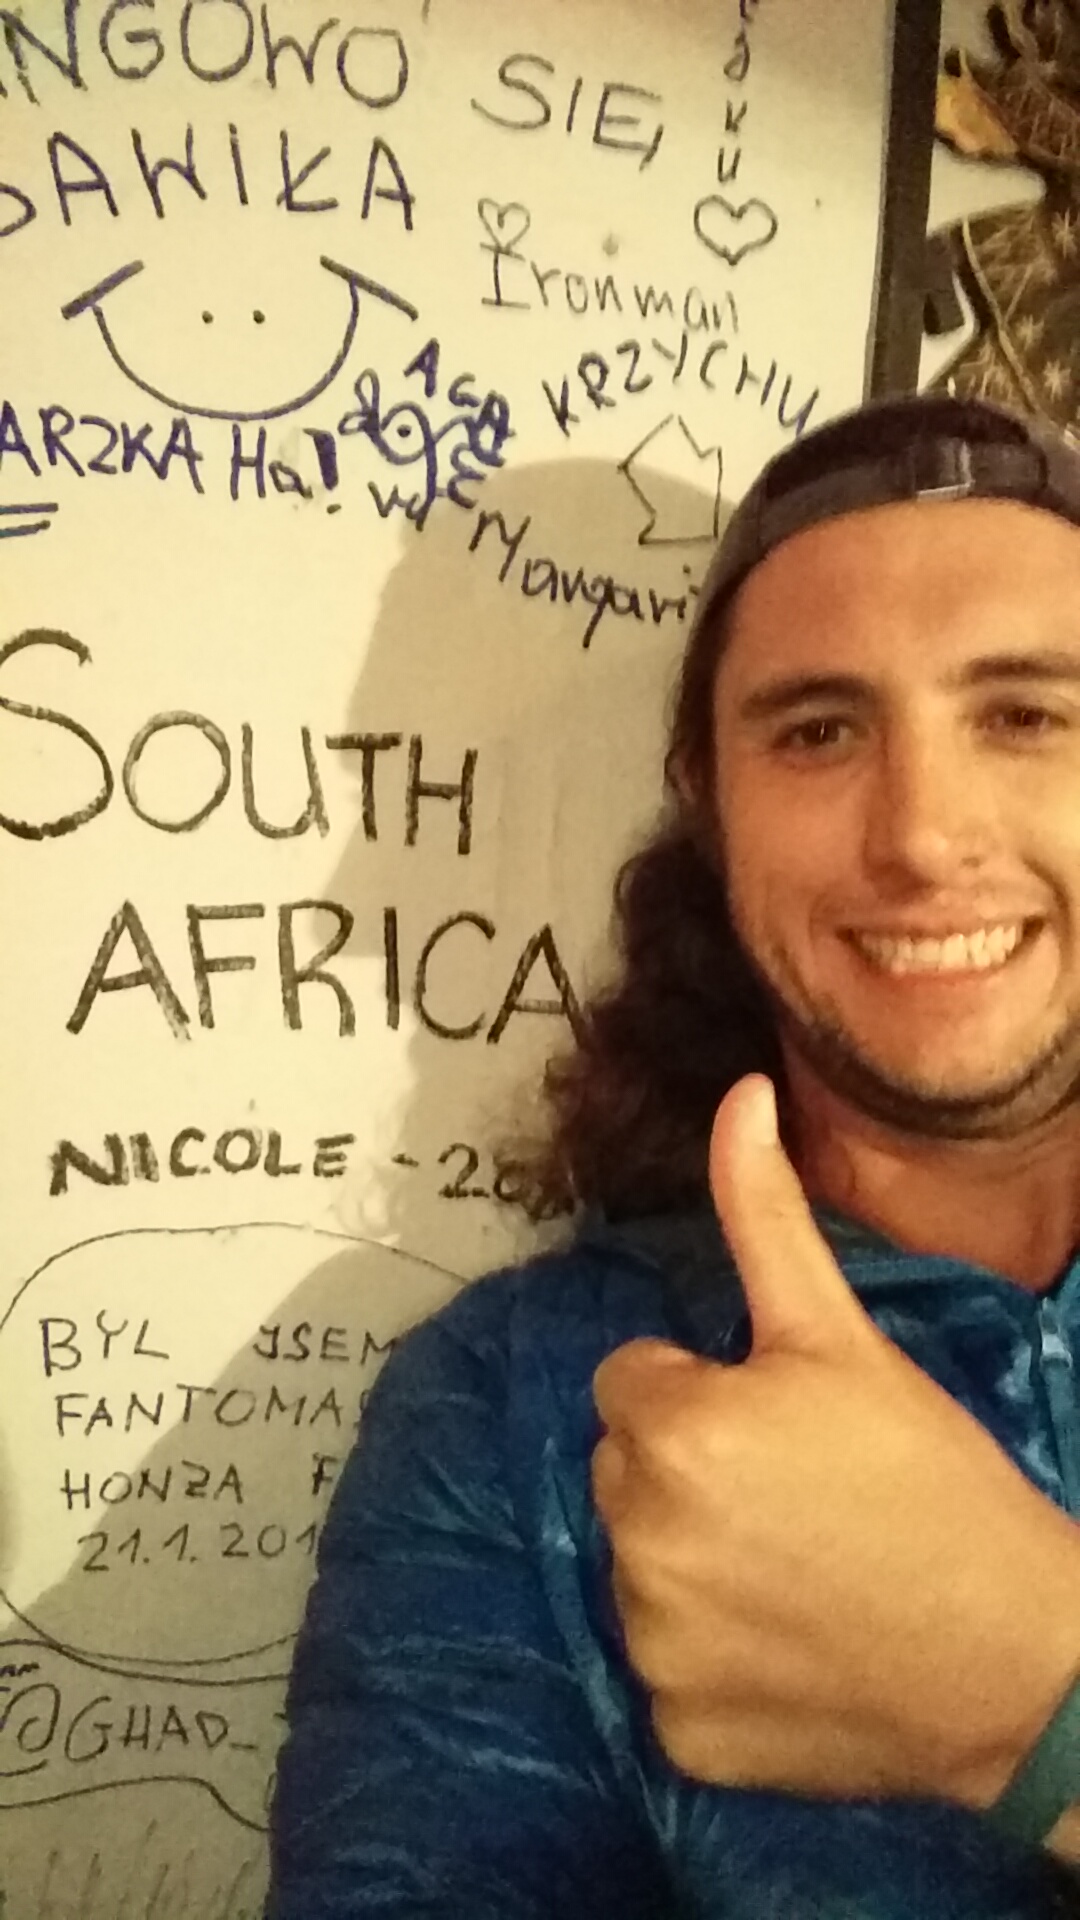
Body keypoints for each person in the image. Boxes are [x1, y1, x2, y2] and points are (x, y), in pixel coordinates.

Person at [266, 395, 1080, 1919]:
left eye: (1026, 715)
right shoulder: (512, 1414)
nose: (923, 834)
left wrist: (1043, 1703)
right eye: (820, 731)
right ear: (708, 797)